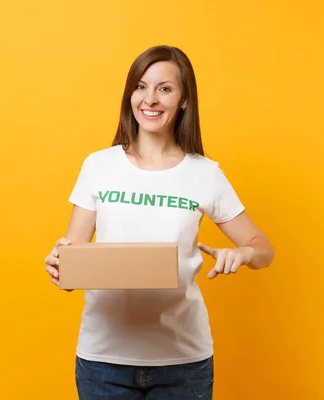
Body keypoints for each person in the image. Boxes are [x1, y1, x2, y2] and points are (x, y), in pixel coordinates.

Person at [44, 45, 274, 399]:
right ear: (130, 95)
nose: (149, 99)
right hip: (103, 360)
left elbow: (264, 251)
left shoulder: (205, 174)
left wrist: (242, 253)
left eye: (164, 88)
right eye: (141, 86)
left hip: (183, 363)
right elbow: (71, 260)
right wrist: (61, 265)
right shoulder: (99, 165)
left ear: (183, 100)